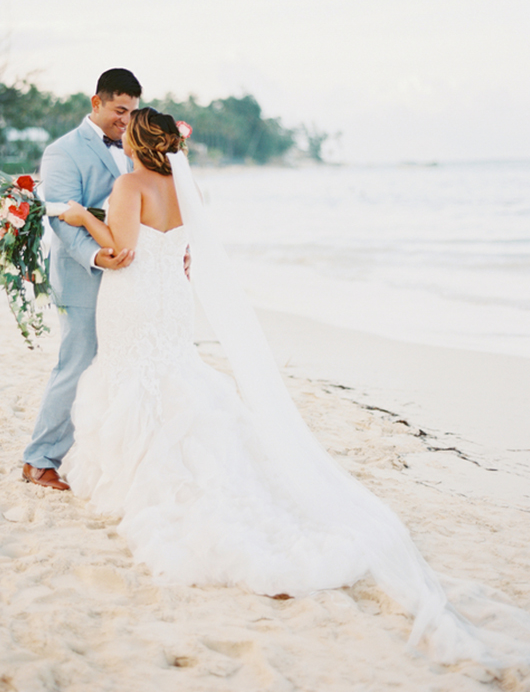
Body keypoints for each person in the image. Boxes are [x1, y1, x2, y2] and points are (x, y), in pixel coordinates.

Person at [58, 107, 530, 668]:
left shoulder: (129, 183)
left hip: (134, 298)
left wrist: (78, 219)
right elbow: (186, 252)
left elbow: (120, 252)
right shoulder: (188, 189)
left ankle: (133, 469)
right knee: (174, 375)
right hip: (173, 303)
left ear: (134, 141)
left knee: (135, 374)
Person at [22, 68, 142, 490]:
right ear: (97, 102)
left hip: (127, 277)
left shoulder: (134, 148)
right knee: (76, 363)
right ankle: (39, 459)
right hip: (81, 274)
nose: (125, 120)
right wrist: (96, 255)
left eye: (132, 112)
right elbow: (61, 218)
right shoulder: (62, 152)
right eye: (119, 110)